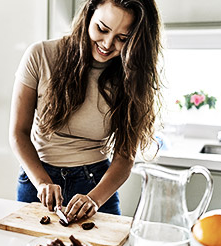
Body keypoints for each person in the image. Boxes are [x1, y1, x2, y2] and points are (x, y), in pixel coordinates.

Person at [9, 0, 163, 222]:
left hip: (96, 184)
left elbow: (124, 157)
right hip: (38, 180)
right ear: (89, 13)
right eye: (102, 29)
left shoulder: (133, 78)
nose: (107, 44)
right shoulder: (40, 55)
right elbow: (18, 133)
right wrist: (42, 182)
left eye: (122, 39)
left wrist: (94, 199)